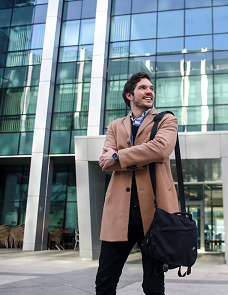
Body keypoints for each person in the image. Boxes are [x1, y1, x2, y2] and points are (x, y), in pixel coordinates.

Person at [95, 71, 179, 295]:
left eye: (151, 88)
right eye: (143, 88)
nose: (149, 91)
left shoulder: (166, 120)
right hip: (118, 212)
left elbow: (161, 149)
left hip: (154, 212)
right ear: (129, 95)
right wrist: (136, 157)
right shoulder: (115, 126)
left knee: (152, 285)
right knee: (104, 281)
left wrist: (119, 156)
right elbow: (106, 163)